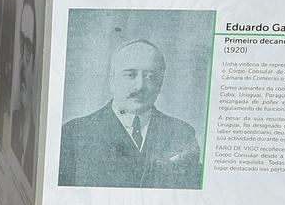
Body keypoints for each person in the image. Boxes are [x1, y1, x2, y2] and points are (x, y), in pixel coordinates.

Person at [58, 40, 204, 188]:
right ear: (112, 80)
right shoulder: (74, 134)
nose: (140, 86)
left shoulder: (182, 134)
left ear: (160, 83)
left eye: (150, 76)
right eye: (130, 75)